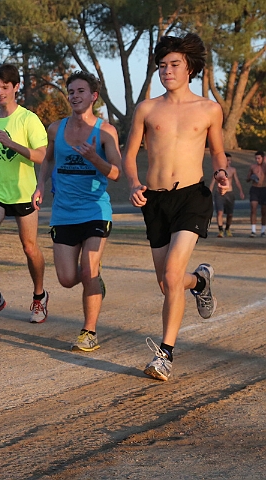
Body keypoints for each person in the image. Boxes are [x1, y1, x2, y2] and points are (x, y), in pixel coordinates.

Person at [122, 33, 230, 381]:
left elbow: (217, 151)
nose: (166, 70)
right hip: (155, 200)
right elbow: (129, 155)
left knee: (170, 276)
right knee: (166, 283)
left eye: (174, 65)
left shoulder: (209, 109)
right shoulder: (147, 108)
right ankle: (199, 282)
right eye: (162, 65)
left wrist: (223, 172)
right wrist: (134, 183)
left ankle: (165, 355)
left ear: (190, 68)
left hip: (192, 197)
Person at [32, 71, 122, 352]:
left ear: (94, 96)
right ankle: (94, 280)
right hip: (63, 212)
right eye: (71, 91)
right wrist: (40, 186)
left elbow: (117, 172)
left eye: (81, 91)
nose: (75, 96)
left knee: (89, 270)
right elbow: (47, 160)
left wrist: (95, 158)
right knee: (68, 279)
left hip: (96, 209)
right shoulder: (55, 129)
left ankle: (88, 331)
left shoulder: (105, 131)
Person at [0, 64, 49, 324]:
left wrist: (11, 143)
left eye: (5, 87)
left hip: (23, 192)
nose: (0, 92)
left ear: (16, 87)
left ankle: (39, 296)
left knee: (29, 248)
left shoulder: (28, 119)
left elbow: (41, 156)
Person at [209, 153, 244, 237]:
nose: (229, 162)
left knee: (230, 214)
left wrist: (241, 191)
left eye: (230, 160)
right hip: (219, 193)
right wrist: (209, 192)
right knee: (219, 212)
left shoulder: (233, 170)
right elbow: (213, 182)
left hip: (229, 193)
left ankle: (227, 229)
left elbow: (237, 181)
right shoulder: (218, 171)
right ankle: (220, 230)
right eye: (227, 160)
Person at [246, 151, 266, 237]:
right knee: (253, 209)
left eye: (259, 158)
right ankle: (253, 230)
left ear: (263, 158)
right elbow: (247, 179)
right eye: (256, 158)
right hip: (254, 189)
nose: (257, 160)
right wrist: (251, 177)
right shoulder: (252, 167)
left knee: (264, 211)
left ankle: (263, 231)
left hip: (264, 189)